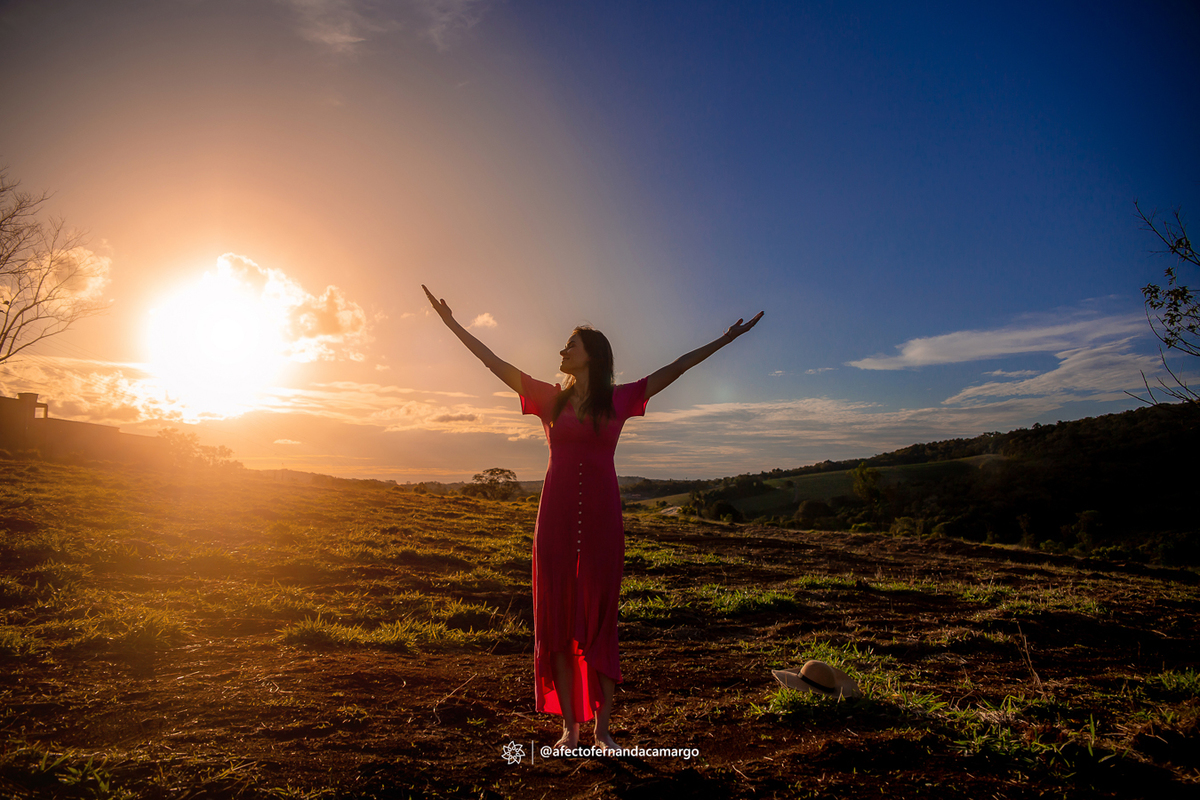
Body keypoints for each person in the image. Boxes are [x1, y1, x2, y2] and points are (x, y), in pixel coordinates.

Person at [422, 285, 762, 751]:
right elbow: (493, 362)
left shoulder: (619, 400)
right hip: (555, 521)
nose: (562, 350)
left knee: (600, 620)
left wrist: (725, 340)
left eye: (571, 345)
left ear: (592, 356)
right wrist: (452, 324)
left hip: (603, 521)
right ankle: (571, 728)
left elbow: (677, 368)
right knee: (557, 621)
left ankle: (603, 731)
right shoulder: (549, 399)